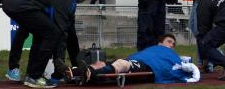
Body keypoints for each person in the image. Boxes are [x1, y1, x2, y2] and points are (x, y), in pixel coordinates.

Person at [2, 0, 96, 88]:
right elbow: (62, 34)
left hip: (13, 2)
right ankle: (34, 77)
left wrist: (75, 62)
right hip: (20, 4)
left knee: (41, 35)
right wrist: (58, 72)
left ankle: (31, 75)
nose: (85, 1)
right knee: (52, 33)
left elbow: (70, 33)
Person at [55, 34, 200, 84]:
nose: (172, 45)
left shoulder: (174, 57)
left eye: (174, 44)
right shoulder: (153, 49)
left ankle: (85, 73)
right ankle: (73, 72)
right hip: (141, 61)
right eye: (169, 42)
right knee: (102, 63)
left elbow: (182, 69)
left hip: (149, 66)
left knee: (122, 64)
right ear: (160, 43)